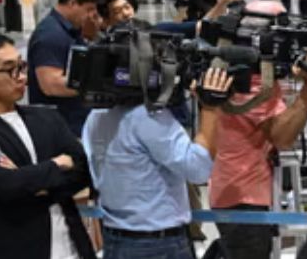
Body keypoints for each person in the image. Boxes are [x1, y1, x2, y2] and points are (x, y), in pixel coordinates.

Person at [0, 32, 95, 259]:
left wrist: (31, 180)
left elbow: (84, 169)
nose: (22, 77)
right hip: (14, 247)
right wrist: (57, 164)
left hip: (70, 246)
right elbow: (3, 185)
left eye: (22, 66)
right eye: (10, 69)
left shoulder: (46, 118)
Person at [83, 67, 233, 259]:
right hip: (158, 245)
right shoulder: (148, 117)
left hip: (115, 239)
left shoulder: (96, 116)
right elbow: (198, 169)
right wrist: (211, 108)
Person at [210, 49, 307, 259]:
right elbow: (282, 137)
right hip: (243, 199)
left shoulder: (233, 78)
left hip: (233, 193)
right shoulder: (252, 87)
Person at [28, 0, 101, 136]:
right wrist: (98, 82)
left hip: (74, 120)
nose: (90, 16)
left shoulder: (70, 31)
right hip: (60, 125)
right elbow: (51, 85)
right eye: (88, 9)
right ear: (73, 3)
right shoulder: (51, 35)